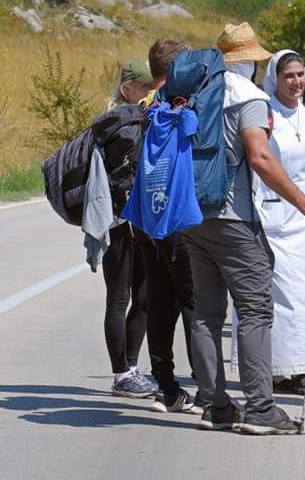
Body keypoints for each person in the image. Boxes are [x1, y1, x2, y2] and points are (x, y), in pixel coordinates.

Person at [186, 22, 305, 435]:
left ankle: (215, 405)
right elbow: (261, 158)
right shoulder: (247, 96)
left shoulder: (198, 93)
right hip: (235, 218)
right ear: (250, 60)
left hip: (195, 216)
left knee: (207, 315)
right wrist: (303, 201)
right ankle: (260, 407)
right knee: (254, 309)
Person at [249, 49, 305, 395]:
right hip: (274, 214)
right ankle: (271, 369)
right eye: (289, 76)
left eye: (300, 74)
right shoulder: (265, 113)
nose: (296, 82)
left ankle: (302, 370)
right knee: (275, 296)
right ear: (276, 78)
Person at [138, 37, 200, 414]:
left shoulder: (143, 105)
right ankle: (209, 388)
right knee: (195, 301)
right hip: (178, 214)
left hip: (146, 212)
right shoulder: (180, 102)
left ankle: (165, 386)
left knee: (159, 299)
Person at [94, 59, 156, 400]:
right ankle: (122, 372)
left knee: (144, 297)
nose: (150, 91)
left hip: (138, 221)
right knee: (120, 298)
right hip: (119, 220)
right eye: (145, 86)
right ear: (127, 88)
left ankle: (130, 370)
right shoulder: (122, 122)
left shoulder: (135, 119)